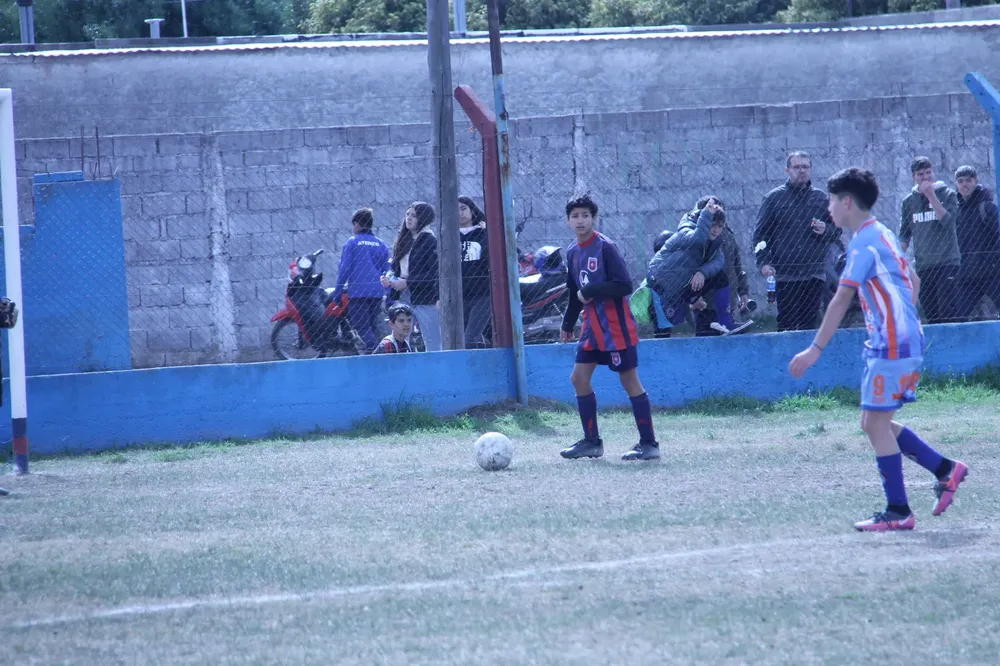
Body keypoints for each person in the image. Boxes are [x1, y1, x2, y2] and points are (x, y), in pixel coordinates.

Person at [789, 167, 968, 532]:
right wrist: (901, 319)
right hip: (899, 338)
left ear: (847, 202)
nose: (828, 207)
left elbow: (841, 299)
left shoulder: (863, 243)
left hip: (892, 342)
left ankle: (899, 510)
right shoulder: (883, 233)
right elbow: (913, 281)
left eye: (831, 200)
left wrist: (814, 351)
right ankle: (945, 470)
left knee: (874, 423)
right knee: (874, 422)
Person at [558, 194, 659, 462]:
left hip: (615, 328)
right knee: (578, 378)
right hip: (591, 329)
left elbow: (624, 285)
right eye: (575, 216)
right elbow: (573, 292)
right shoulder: (571, 252)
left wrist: (592, 290)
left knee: (629, 381)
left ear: (594, 218)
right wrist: (568, 323)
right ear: (568, 221)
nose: (580, 220)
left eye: (585, 215)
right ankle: (592, 442)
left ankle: (649, 445)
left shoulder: (605, 247)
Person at [753, 151, 841, 331]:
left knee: (810, 326)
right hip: (786, 275)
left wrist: (825, 229)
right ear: (787, 170)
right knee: (787, 326)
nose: (802, 171)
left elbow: (837, 232)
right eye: (797, 167)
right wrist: (763, 262)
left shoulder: (821, 199)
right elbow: (760, 235)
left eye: (806, 167)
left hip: (814, 273)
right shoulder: (774, 199)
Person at [647, 197, 752, 336]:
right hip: (662, 284)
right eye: (712, 224)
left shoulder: (715, 241)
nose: (716, 230)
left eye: (720, 226)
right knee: (662, 331)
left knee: (720, 277)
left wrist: (702, 273)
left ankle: (726, 322)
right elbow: (697, 239)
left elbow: (718, 262)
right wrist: (707, 214)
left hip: (684, 284)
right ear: (703, 219)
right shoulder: (686, 230)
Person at [899, 156, 962, 324]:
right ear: (914, 176)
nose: (925, 177)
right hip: (924, 264)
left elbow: (947, 222)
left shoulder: (948, 194)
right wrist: (898, 254)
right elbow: (905, 232)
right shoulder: (908, 202)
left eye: (928, 172)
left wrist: (931, 196)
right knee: (930, 312)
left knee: (948, 312)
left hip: (947, 261)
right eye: (921, 174)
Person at [382, 202, 442, 352]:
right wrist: (389, 278)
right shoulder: (405, 238)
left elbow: (434, 274)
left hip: (425, 297)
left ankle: (436, 370)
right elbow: (397, 267)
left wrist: (407, 282)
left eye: (414, 215)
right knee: (401, 338)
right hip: (403, 296)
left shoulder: (429, 240)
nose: (408, 218)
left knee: (432, 339)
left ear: (423, 218)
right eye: (407, 214)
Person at [331, 208, 390, 352]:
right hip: (376, 293)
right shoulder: (381, 244)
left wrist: (337, 292)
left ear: (357, 224)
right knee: (372, 326)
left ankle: (376, 351)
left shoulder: (353, 242)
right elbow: (387, 270)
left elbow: (344, 269)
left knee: (361, 326)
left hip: (358, 293)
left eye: (354, 225)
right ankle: (375, 354)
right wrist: (388, 293)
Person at [953, 165, 1000, 320]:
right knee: (961, 316)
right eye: (960, 181)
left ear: (976, 181)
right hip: (967, 275)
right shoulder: (958, 211)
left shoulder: (987, 207)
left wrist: (994, 263)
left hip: (991, 273)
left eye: (968, 180)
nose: (964, 184)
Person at [459, 196, 492, 348]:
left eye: (463, 208)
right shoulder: (449, 236)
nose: (460, 213)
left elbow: (490, 256)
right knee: (468, 338)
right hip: (459, 296)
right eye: (455, 210)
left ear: (472, 211)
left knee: (470, 338)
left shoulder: (483, 232)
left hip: (483, 293)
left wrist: (487, 232)